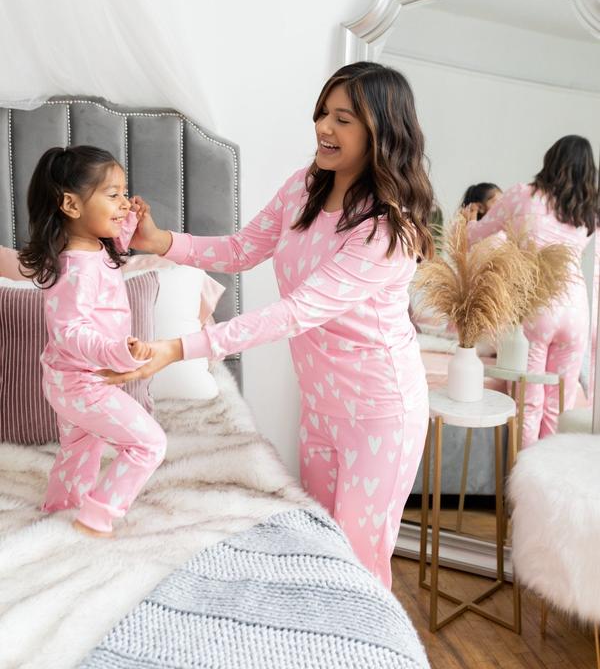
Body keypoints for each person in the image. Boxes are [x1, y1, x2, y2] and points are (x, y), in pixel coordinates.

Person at [104, 61, 434, 588]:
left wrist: (180, 347)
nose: (324, 128)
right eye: (323, 113)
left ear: (381, 132)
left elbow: (296, 312)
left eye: (343, 119)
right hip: (321, 404)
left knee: (359, 562)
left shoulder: (387, 231)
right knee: (319, 544)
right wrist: (160, 241)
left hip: (379, 413)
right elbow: (241, 250)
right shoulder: (303, 188)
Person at [18, 145, 167, 537]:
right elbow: (69, 332)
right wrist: (116, 352)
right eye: (114, 195)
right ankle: (97, 516)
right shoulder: (75, 269)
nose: (125, 203)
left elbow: (113, 243)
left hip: (73, 380)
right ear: (71, 205)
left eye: (125, 193)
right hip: (81, 383)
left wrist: (130, 220)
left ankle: (60, 510)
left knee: (80, 448)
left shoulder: (93, 246)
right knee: (149, 443)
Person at [464, 136, 598, 446]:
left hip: (537, 305)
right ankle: (546, 472)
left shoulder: (523, 195)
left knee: (528, 402)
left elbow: (477, 235)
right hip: (577, 311)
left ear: (550, 159)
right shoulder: (589, 214)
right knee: (559, 405)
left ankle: (521, 472)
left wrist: (468, 225)